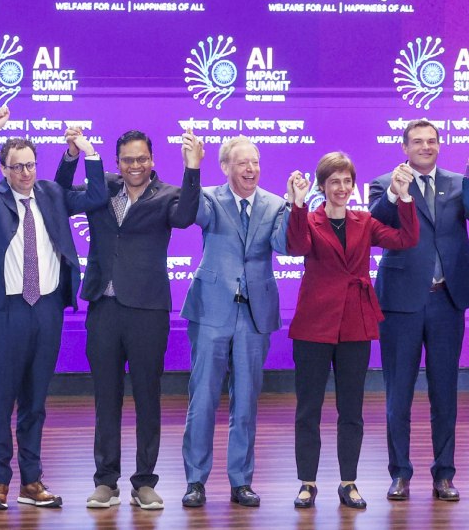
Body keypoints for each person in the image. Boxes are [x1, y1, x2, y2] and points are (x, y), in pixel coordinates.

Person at [0, 105, 107, 511]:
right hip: (6, 310)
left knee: (35, 402)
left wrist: (85, 152)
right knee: (1, 399)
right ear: (5, 170)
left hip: (47, 309)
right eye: (17, 167)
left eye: (30, 165)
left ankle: (31, 481)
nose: (26, 172)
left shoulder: (51, 194)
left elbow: (96, 196)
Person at [71, 128, 202, 511]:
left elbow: (186, 217)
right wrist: (73, 155)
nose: (135, 166)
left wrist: (192, 167)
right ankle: (105, 481)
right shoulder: (102, 188)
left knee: (148, 397)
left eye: (141, 158)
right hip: (104, 307)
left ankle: (144, 481)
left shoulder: (168, 195)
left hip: (147, 310)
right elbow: (63, 195)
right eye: (127, 159)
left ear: (152, 160)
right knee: (105, 397)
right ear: (117, 162)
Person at [287, 154, 418, 510]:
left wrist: (405, 197)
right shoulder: (309, 220)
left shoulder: (365, 221)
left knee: (352, 410)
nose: (342, 188)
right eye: (335, 182)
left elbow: (407, 238)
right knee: (308, 409)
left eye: (347, 181)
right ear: (322, 186)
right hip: (314, 324)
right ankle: (307, 483)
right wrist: (297, 205)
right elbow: (296, 246)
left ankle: (348, 483)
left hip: (355, 323)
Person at [179, 136, 288, 508]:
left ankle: (241, 481)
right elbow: (189, 213)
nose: (251, 169)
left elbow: (286, 245)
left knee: (246, 401)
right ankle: (195, 480)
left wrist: (297, 205)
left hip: (254, 314)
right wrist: (192, 167)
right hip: (211, 310)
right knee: (203, 398)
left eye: (255, 162)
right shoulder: (209, 199)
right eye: (242, 163)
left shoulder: (275, 204)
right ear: (225, 167)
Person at [368, 119, 469, 502]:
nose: (425, 146)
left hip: (447, 300)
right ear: (404, 147)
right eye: (417, 141)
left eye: (431, 141)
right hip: (400, 303)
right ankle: (400, 473)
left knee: (445, 393)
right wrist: (396, 194)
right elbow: (375, 223)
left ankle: (444, 475)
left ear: (439, 145)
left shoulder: (458, 184)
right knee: (399, 393)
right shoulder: (385, 183)